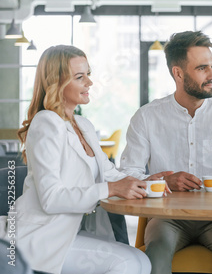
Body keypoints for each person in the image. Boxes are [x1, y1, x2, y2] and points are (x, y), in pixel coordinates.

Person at [120, 30, 212, 274]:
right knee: (155, 254)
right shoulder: (146, 117)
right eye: (202, 68)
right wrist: (161, 180)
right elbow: (128, 174)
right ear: (178, 73)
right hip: (166, 217)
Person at [0, 45, 152, 274]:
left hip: (71, 232)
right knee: (128, 262)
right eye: (80, 77)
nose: (89, 83)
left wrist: (154, 181)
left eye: (88, 74)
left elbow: (110, 174)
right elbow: (51, 198)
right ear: (56, 84)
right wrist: (110, 189)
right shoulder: (46, 123)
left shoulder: (84, 125)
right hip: (42, 236)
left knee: (140, 260)